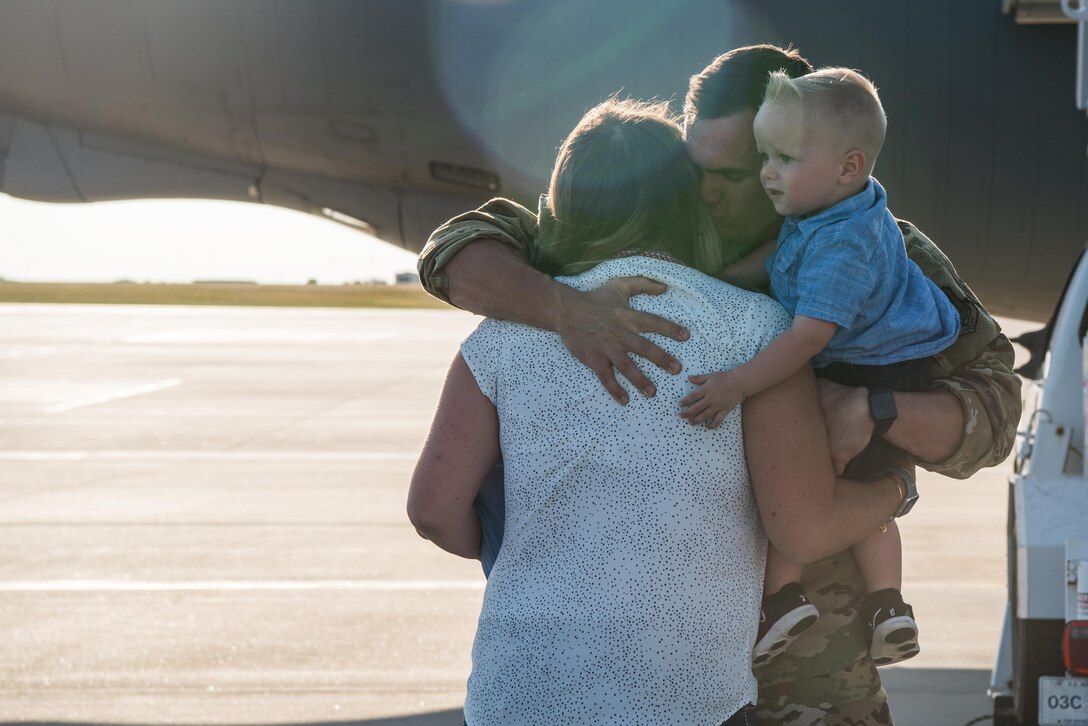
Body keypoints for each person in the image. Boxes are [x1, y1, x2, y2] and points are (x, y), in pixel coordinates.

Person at [417, 45, 1021, 725]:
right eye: (695, 169)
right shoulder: (627, 227)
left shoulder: (871, 251)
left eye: (734, 174)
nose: (705, 194)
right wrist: (566, 309)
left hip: (809, 667)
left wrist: (878, 410)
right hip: (662, 667)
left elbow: (996, 416)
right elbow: (457, 250)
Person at [682, 67, 959, 671]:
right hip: (875, 364)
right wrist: (718, 282)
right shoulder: (825, 210)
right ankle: (888, 607)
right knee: (861, 490)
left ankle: (783, 596)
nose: (767, 173)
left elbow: (806, 338)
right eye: (762, 157)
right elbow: (778, 256)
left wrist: (736, 384)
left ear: (848, 166)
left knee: (820, 487)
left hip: (876, 373)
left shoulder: (844, 245)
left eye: (783, 158)